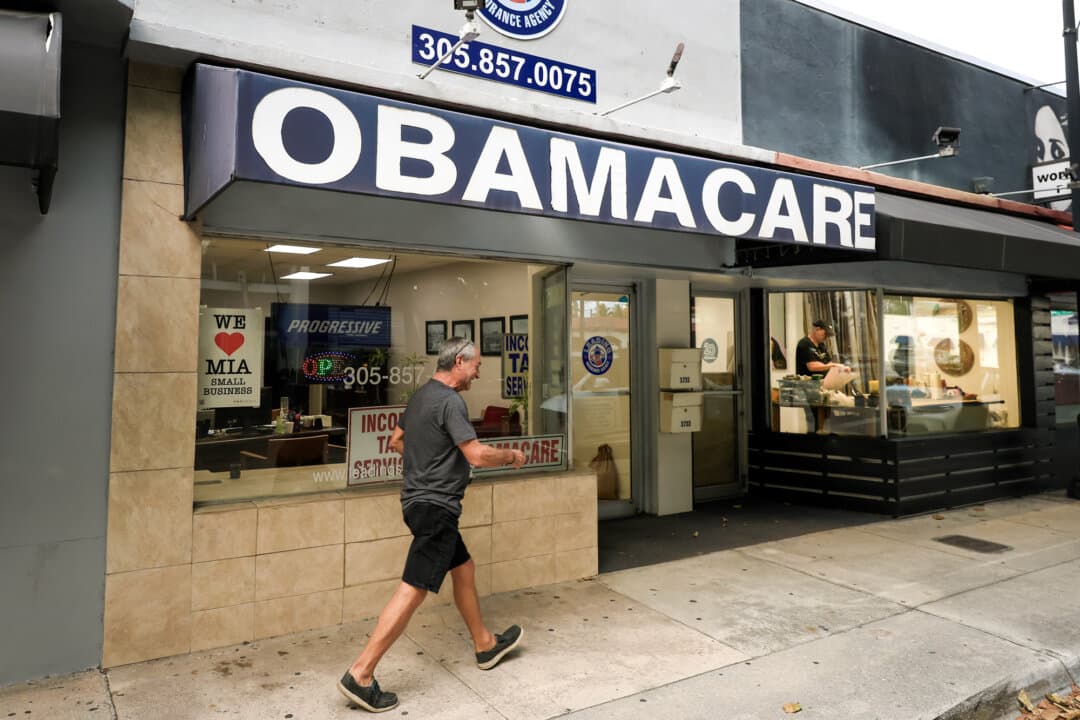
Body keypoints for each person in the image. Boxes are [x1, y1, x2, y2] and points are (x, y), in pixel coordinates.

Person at [337, 337, 527, 712]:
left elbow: (396, 441)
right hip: (437, 507)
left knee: (464, 567)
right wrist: (510, 456)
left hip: (416, 503)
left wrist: (426, 466)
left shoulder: (421, 396)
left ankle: (485, 644)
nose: (478, 371)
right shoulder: (452, 401)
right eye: (476, 365)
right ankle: (361, 673)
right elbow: (475, 454)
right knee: (414, 588)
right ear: (459, 361)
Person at [795, 320, 847, 432]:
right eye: (825, 334)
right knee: (813, 418)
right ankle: (813, 442)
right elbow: (812, 366)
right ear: (816, 329)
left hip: (822, 388)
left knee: (827, 417)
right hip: (808, 389)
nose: (826, 337)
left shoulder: (822, 346)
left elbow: (827, 364)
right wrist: (832, 365)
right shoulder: (804, 344)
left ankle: (825, 439)